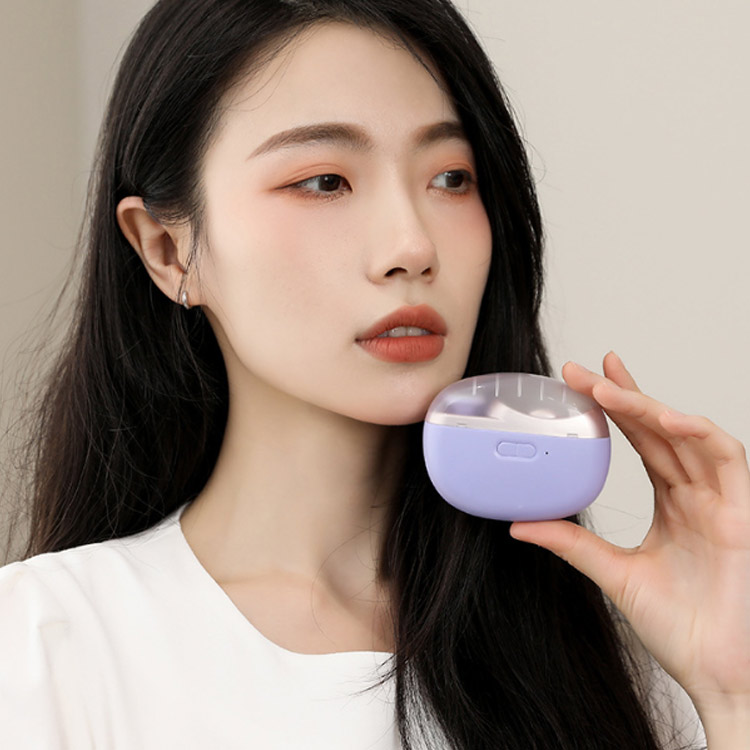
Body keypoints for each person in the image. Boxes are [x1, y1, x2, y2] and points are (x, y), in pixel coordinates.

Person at [0, 0, 748, 748]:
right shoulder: (47, 646)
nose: (412, 245)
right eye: (324, 181)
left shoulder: (614, 661)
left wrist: (731, 694)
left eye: (451, 177)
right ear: (167, 251)